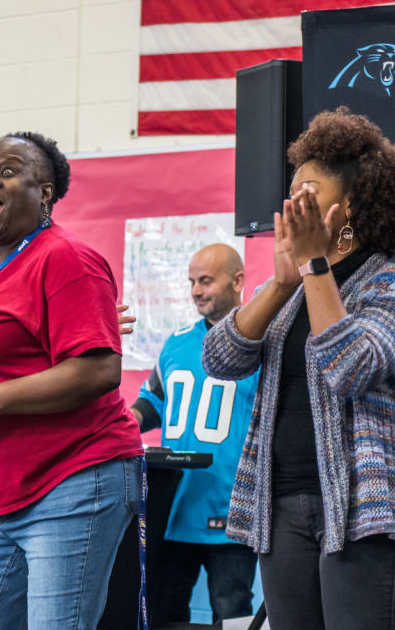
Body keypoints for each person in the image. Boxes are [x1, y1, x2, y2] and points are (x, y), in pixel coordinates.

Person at [203, 108, 395, 630]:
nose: (291, 204)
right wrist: (284, 284)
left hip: (366, 509)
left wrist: (313, 268)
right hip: (282, 506)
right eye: (291, 192)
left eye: (308, 191)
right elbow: (220, 360)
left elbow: (350, 367)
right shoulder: (287, 290)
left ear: (350, 206)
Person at [0, 132, 143, 629]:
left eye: (6, 170)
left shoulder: (65, 257)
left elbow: (99, 369)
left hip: (73, 480)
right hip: (3, 497)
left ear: (44, 193)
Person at [130, 244, 259, 624]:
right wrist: (120, 424)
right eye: (191, 282)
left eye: (206, 281)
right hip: (175, 511)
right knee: (163, 612)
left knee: (232, 614)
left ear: (237, 281)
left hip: (232, 513)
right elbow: (151, 403)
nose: (196, 291)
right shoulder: (175, 343)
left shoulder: (262, 343)